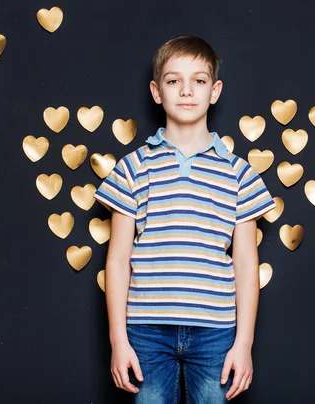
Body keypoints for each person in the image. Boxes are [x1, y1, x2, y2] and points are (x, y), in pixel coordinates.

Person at [93, 35, 277, 403]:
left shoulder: (239, 173)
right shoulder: (133, 167)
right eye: (174, 80)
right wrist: (118, 340)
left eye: (199, 80)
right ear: (156, 91)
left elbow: (245, 261)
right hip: (145, 330)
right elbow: (116, 259)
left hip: (217, 331)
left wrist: (244, 343)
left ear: (215, 90)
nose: (187, 91)